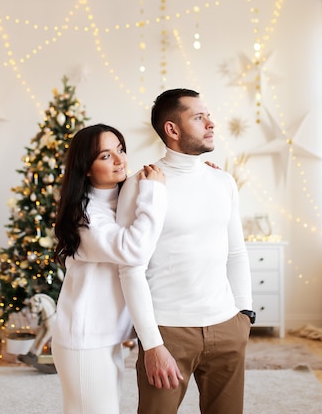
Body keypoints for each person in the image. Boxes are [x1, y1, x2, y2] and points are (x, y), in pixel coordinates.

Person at [116, 89, 254, 414]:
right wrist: (151, 343)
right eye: (198, 117)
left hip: (227, 326)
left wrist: (244, 315)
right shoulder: (140, 185)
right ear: (172, 130)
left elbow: (236, 253)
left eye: (208, 115)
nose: (211, 123)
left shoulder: (224, 182)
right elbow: (129, 268)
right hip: (168, 331)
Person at [52, 123, 167, 414]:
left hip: (106, 337)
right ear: (86, 168)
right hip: (85, 340)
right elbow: (134, 249)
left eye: (120, 150)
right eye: (105, 156)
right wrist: (154, 192)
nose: (119, 160)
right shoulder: (85, 214)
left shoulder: (123, 200)